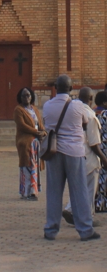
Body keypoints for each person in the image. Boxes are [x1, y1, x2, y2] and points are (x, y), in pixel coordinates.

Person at [42, 74, 99, 241]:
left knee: (54, 192)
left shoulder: (47, 105)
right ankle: (85, 230)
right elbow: (85, 123)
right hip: (74, 152)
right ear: (71, 88)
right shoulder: (78, 105)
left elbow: (46, 124)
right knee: (79, 191)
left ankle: (51, 229)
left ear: (55, 88)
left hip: (54, 152)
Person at [62, 87, 107, 225]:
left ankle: (72, 210)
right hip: (89, 156)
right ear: (91, 98)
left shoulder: (72, 112)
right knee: (89, 188)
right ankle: (85, 217)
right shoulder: (90, 116)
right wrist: (103, 158)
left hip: (73, 153)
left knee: (79, 187)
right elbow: (94, 143)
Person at [13, 87, 46, 200]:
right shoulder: (18, 110)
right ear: (20, 97)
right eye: (23, 96)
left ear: (32, 96)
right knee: (27, 167)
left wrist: (43, 132)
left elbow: (40, 124)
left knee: (34, 167)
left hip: (36, 143)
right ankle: (27, 192)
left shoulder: (34, 109)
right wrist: (36, 132)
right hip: (25, 142)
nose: (26, 98)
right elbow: (22, 125)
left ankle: (34, 191)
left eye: (28, 95)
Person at [94, 91, 107, 213]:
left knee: (97, 177)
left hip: (95, 148)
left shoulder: (93, 113)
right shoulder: (105, 115)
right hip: (104, 150)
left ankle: (97, 203)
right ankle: (102, 204)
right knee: (104, 177)